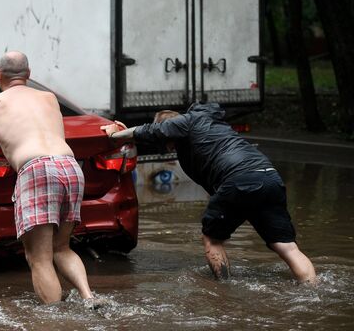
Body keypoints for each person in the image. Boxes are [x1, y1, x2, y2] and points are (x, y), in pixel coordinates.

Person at [104, 102, 316, 283]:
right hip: (269, 176)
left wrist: (115, 136)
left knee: (212, 239)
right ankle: (312, 291)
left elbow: (150, 131)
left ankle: (223, 290)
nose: (167, 147)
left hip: (238, 179)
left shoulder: (188, 122)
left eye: (167, 140)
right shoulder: (210, 127)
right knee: (287, 247)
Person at [0, 51, 99, 307]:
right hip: (70, 166)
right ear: (29, 74)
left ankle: (54, 321)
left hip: (36, 169)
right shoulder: (49, 98)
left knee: (39, 257)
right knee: (62, 248)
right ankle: (89, 297)